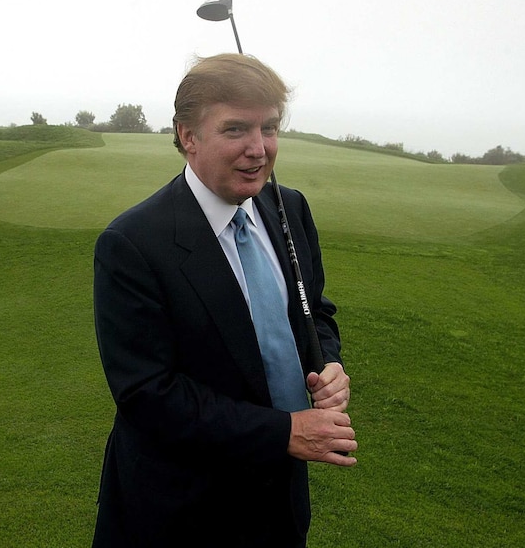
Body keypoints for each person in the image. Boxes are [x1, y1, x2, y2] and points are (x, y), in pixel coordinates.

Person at [92, 53, 357, 548]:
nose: (259, 150)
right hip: (179, 512)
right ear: (187, 136)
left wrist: (329, 364)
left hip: (278, 503)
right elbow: (148, 394)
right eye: (236, 129)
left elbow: (313, 311)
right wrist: (283, 432)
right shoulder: (133, 242)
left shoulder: (290, 207)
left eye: (270, 128)